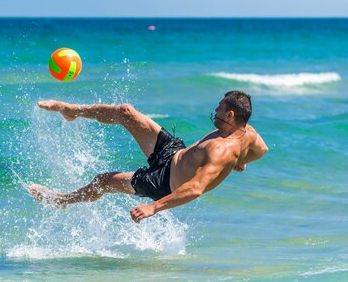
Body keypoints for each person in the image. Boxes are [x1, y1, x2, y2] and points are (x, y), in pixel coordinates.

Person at [29, 90, 268, 223]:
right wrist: (241, 160)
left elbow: (195, 189)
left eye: (219, 108)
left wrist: (153, 207)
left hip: (163, 182)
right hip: (175, 152)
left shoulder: (221, 151)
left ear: (230, 114)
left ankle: (62, 201)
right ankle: (72, 111)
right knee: (126, 112)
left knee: (104, 181)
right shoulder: (249, 135)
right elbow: (262, 150)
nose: (215, 110)